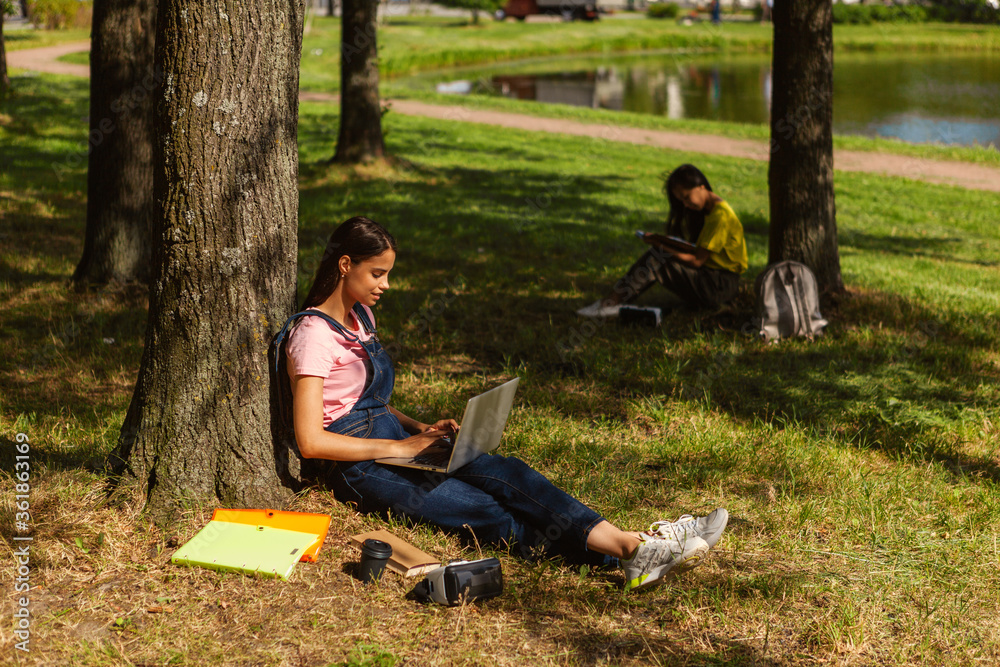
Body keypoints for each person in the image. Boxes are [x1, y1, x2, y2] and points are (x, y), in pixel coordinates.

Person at [279, 216, 729, 591]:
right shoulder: (313, 336)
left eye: (388, 273)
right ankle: (634, 549)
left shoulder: (361, 317)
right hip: (358, 468)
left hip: (396, 441)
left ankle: (636, 547)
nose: (387, 285)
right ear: (344, 265)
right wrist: (400, 449)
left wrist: (419, 431)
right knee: (486, 511)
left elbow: (367, 402)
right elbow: (312, 440)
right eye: (378, 273)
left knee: (508, 473)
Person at [576, 164, 748, 319]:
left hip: (719, 287)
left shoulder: (721, 217)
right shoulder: (713, 212)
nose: (686, 204)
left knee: (656, 258)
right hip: (716, 282)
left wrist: (661, 245)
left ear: (701, 186)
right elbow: (699, 251)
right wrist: (664, 241)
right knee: (658, 253)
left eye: (687, 197)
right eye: (681, 201)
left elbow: (696, 261)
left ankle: (610, 304)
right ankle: (611, 302)